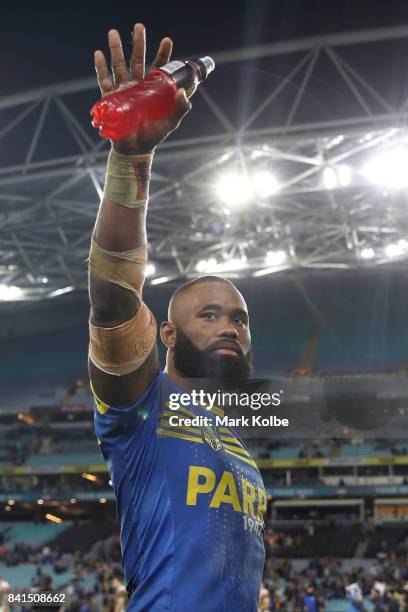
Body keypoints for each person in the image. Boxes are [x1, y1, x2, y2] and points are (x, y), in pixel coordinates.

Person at [88, 22, 267, 612]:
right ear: (166, 333)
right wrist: (130, 160)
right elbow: (113, 294)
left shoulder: (240, 448)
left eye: (239, 320)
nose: (229, 328)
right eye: (210, 315)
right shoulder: (145, 405)